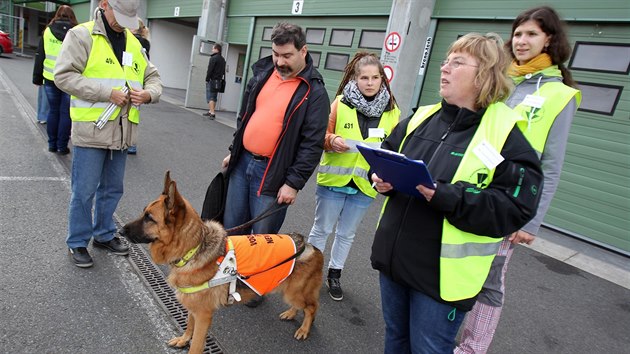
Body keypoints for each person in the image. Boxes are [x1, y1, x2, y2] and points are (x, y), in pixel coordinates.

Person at [369, 32, 543, 353]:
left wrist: (446, 196)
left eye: (458, 62)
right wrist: (378, 177)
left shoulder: (504, 130)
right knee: (395, 339)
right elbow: (384, 155)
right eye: (446, 61)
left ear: (484, 75)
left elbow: (515, 206)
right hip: (395, 262)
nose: (444, 68)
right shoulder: (422, 117)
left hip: (442, 283)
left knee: (428, 349)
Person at [455, 7, 581, 354]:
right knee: (459, 266)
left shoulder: (560, 95)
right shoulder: (504, 79)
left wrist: (531, 219)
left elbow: (551, 165)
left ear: (549, 40)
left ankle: (473, 347)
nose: (522, 41)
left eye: (532, 34)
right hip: (472, 189)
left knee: (491, 278)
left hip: (510, 201)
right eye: (519, 33)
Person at [220, 22, 329, 306]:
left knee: (263, 238)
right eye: (276, 54)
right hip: (243, 163)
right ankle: (233, 279)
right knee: (233, 228)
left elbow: (312, 143)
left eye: (287, 56)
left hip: (273, 174)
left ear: (303, 50)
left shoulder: (313, 92)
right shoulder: (264, 72)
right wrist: (235, 149)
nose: (279, 61)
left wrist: (293, 183)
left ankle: (255, 288)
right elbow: (246, 116)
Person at [54, 0, 162, 268]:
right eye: (120, 15)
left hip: (122, 133)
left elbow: (153, 77)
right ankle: (78, 242)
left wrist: (148, 94)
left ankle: (103, 234)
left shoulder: (134, 43)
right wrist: (106, 93)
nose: (122, 23)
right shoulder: (81, 35)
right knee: (85, 191)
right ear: (104, 4)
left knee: (112, 189)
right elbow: (64, 76)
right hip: (92, 131)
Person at [307, 52, 400, 301]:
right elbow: (321, 135)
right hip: (334, 182)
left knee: (347, 234)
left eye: (375, 77)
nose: (369, 82)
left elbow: (395, 148)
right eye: (364, 78)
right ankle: (308, 272)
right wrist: (332, 139)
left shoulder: (393, 112)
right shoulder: (339, 103)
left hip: (364, 184)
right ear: (355, 78)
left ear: (383, 79)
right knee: (322, 229)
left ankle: (334, 274)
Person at [32, 5, 78, 154]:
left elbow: (40, 56)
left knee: (53, 111)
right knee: (66, 113)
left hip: (50, 77)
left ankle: (52, 145)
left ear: (57, 14)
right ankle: (62, 146)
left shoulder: (47, 32)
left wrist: (37, 78)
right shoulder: (76, 33)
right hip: (69, 79)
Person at [127, 17, 151, 155]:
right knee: (134, 112)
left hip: (128, 78)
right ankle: (132, 144)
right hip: (138, 81)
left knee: (123, 112)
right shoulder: (146, 43)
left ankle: (127, 142)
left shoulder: (131, 41)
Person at [204, 43, 226, 119]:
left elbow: (210, 70)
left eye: (213, 48)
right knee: (214, 97)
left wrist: (207, 79)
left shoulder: (213, 58)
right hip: (218, 81)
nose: (212, 50)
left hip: (212, 80)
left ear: (216, 49)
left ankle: (212, 113)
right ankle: (210, 111)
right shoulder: (223, 59)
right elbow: (223, 71)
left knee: (210, 97)